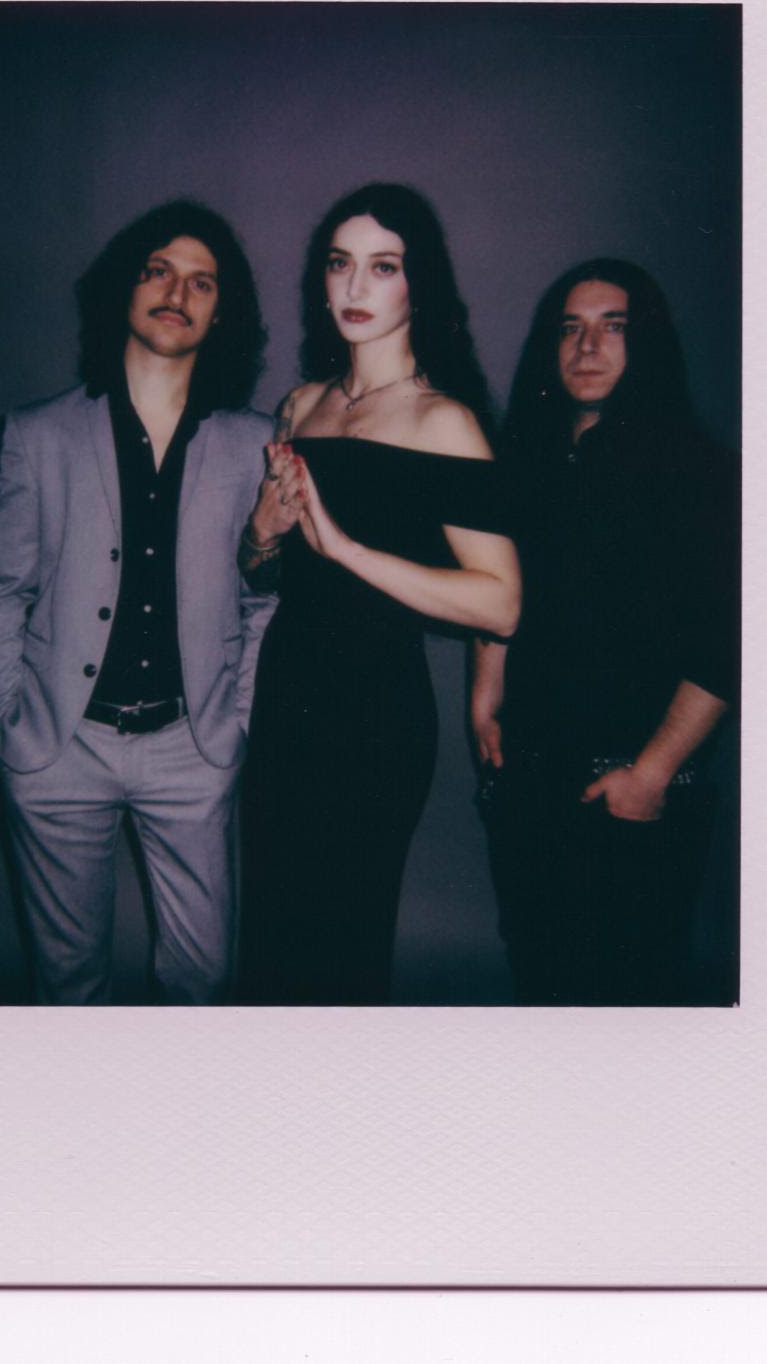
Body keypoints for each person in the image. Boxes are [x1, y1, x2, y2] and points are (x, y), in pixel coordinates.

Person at [0, 200, 275, 1005]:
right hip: (59, 747)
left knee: (203, 980)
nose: (177, 292)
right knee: (69, 984)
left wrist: (237, 718)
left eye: (202, 281)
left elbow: (263, 597)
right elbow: (0, 589)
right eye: (158, 270)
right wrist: (7, 721)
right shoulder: (37, 433)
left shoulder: (255, 442)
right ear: (124, 289)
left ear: (223, 311)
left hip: (192, 745)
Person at [237, 183, 521, 1005]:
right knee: (272, 934)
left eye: (384, 266)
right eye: (340, 264)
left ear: (417, 284)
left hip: (375, 715)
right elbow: (261, 574)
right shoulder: (300, 405)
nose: (356, 287)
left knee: (343, 944)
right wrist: (262, 531)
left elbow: (500, 603)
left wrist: (347, 550)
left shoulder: (443, 421)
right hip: (285, 695)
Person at [471, 258, 738, 1006]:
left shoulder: (703, 473)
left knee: (632, 1007)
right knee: (540, 985)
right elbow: (498, 593)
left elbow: (728, 642)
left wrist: (651, 774)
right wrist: (484, 699)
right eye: (571, 328)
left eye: (612, 327)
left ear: (647, 340)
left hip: (635, 790)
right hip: (530, 787)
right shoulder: (528, 464)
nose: (587, 346)